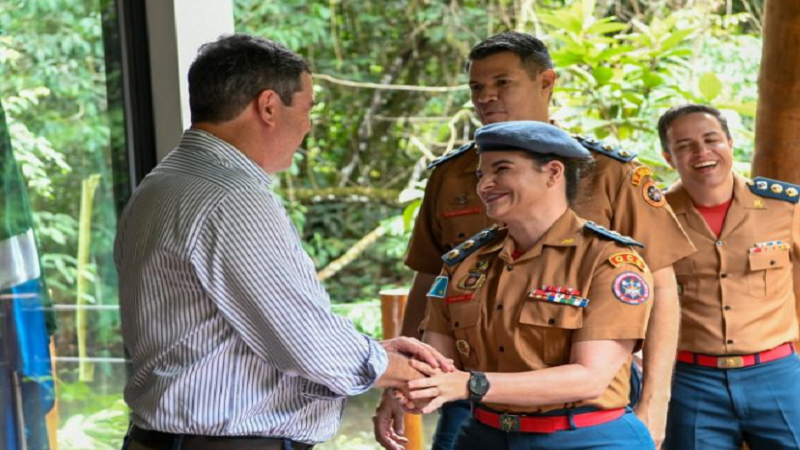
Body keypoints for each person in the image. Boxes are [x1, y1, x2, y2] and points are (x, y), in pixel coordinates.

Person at [114, 34, 454, 450]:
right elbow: (306, 343)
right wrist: (400, 368)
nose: (309, 125)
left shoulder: (162, 183)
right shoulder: (231, 197)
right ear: (269, 106)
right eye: (308, 108)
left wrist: (375, 351)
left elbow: (222, 334)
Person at [378, 31, 694, 449]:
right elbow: (428, 281)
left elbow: (660, 283)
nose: (486, 97)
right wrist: (402, 383)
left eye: (502, 83)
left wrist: (655, 401)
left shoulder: (609, 173)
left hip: (580, 406)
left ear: (546, 83)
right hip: (470, 402)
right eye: (477, 87)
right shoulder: (449, 175)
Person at [390, 120, 656, 450]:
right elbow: (437, 364)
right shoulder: (462, 265)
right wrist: (403, 384)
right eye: (480, 174)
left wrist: (473, 384)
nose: (485, 184)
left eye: (501, 169)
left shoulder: (609, 263)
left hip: (587, 438)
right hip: (483, 436)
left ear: (553, 173)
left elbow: (589, 378)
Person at [658, 104, 800, 450]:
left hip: (777, 373)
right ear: (667, 157)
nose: (702, 153)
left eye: (711, 140)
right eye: (685, 145)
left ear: (731, 143)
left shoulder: (785, 207)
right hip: (692, 381)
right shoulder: (656, 217)